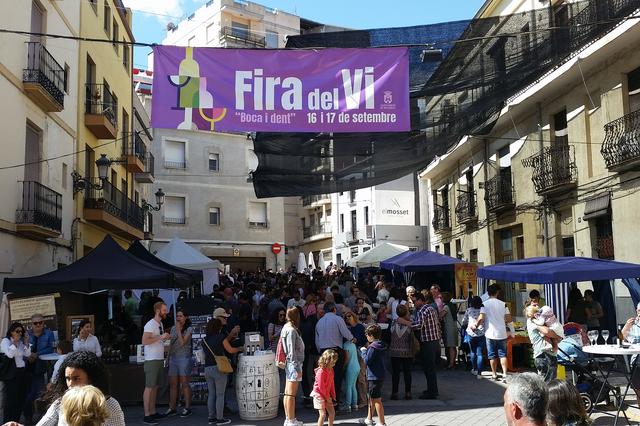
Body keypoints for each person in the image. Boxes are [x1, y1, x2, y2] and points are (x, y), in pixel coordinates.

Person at [37, 350, 125, 426]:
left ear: (92, 378)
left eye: (76, 379)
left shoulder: (110, 405)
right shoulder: (60, 402)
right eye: (68, 379)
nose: (70, 384)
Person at [202, 319, 241, 425]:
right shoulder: (220, 337)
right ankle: (220, 418)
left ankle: (211, 417)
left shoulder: (204, 340)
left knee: (211, 394)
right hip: (219, 368)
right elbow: (230, 350)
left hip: (207, 368)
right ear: (218, 328)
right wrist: (239, 348)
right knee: (220, 394)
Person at [314, 302, 353, 408]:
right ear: (334, 309)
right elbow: (345, 332)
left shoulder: (319, 322)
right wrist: (352, 338)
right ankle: (335, 402)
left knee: (325, 378)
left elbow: (317, 341)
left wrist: (320, 352)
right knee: (336, 377)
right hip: (335, 351)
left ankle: (326, 402)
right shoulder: (338, 319)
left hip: (323, 352)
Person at [141, 301, 170, 425]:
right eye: (164, 310)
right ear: (158, 310)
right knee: (149, 387)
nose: (166, 312)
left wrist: (164, 340)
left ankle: (152, 412)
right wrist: (161, 338)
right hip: (152, 359)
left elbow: (156, 340)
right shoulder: (150, 324)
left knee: (155, 387)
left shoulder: (160, 324)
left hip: (158, 359)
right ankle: (147, 415)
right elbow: (144, 341)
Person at [474, 284, 511, 381]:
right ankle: (504, 374)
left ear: (488, 293)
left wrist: (476, 326)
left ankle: (494, 374)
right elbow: (509, 318)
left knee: (492, 355)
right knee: (503, 355)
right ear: (497, 292)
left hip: (490, 333)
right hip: (501, 333)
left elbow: (481, 318)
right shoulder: (503, 304)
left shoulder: (484, 304)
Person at [25, 314, 56, 425]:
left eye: (40, 322)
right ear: (31, 324)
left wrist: (37, 354)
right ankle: (28, 417)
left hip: (40, 368)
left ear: (43, 323)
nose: (38, 325)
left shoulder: (49, 333)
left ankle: (40, 419)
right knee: (27, 395)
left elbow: (51, 347)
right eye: (35, 323)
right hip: (26, 368)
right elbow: (23, 347)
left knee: (39, 394)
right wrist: (29, 355)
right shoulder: (27, 334)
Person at [410, 293, 441, 400]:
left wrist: (406, 323)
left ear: (420, 300)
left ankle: (432, 392)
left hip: (429, 342)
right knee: (428, 368)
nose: (413, 304)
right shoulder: (428, 308)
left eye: (414, 301)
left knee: (429, 368)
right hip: (432, 341)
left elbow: (419, 325)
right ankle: (431, 389)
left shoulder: (424, 309)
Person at [165, 309, 193, 418]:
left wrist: (178, 331)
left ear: (186, 318)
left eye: (181, 316)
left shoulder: (189, 329)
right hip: (173, 358)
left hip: (183, 358)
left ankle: (187, 407)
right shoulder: (172, 328)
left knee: (184, 383)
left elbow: (182, 343)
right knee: (173, 384)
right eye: (177, 316)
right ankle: (172, 407)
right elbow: (170, 344)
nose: (178, 318)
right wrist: (167, 358)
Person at [1, 322, 31, 423]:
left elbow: (27, 354)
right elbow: (9, 354)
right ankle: (7, 422)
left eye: (21, 332)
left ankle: (16, 422)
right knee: (11, 400)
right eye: (17, 331)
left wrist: (26, 342)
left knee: (20, 399)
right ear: (11, 331)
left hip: (21, 372)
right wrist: (14, 343)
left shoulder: (21, 342)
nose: (19, 333)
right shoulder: (6, 341)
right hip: (11, 374)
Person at [281, 308, 305, 426]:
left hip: (291, 363)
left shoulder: (286, 327)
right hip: (293, 364)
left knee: (288, 393)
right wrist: (296, 368)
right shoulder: (291, 330)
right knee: (291, 394)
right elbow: (291, 351)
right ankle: (290, 420)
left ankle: (289, 418)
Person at [359, 324, 387, 426]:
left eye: (367, 335)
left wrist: (363, 351)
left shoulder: (372, 347)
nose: (366, 337)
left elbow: (366, 360)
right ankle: (369, 419)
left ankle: (382, 422)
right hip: (380, 375)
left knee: (377, 400)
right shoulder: (381, 345)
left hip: (374, 376)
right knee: (372, 398)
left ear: (371, 335)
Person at [527, 306, 559, 383]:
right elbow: (547, 332)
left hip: (544, 354)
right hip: (544, 354)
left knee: (546, 381)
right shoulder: (533, 321)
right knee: (548, 382)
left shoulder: (538, 320)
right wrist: (557, 336)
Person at [389, 304, 413, 400]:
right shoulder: (410, 325)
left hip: (394, 351)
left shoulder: (393, 323)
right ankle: (408, 392)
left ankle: (395, 393)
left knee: (395, 373)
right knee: (407, 372)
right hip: (407, 352)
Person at [310, 350, 337, 426]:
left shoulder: (331, 370)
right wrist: (327, 397)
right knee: (323, 414)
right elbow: (321, 387)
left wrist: (333, 395)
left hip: (326, 394)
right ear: (326, 361)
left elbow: (332, 383)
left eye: (334, 362)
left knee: (332, 412)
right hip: (319, 394)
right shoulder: (321, 372)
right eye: (332, 363)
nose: (334, 364)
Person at [621, 302, 640, 407]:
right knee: (638, 389)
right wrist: (626, 327)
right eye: (638, 310)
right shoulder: (632, 325)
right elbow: (620, 340)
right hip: (637, 361)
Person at [462, 296, 485, 378]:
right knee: (480, 354)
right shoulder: (483, 310)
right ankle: (479, 373)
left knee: (472, 351)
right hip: (481, 333)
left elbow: (464, 321)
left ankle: (474, 369)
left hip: (471, 333)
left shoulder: (468, 310)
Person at [342, 338, 360, 412]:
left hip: (350, 367)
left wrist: (343, 367)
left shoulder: (345, 345)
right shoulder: (353, 344)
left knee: (348, 386)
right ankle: (354, 405)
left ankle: (347, 405)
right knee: (353, 386)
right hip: (357, 366)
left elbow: (346, 358)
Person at [442, 292, 458, 369]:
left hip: (449, 327)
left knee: (451, 346)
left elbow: (440, 315)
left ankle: (451, 363)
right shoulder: (452, 305)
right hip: (454, 326)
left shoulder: (446, 307)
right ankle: (453, 361)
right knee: (454, 346)